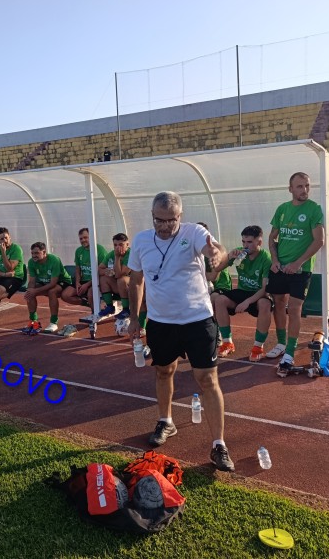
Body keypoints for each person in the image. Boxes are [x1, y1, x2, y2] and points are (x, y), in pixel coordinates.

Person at [127, 191, 235, 472]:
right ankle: (166, 421)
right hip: (160, 322)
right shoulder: (141, 241)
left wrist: (216, 254)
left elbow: (215, 248)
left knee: (207, 379)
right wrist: (135, 318)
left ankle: (219, 445)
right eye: (158, 220)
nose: (164, 226)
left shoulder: (194, 233)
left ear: (180, 217)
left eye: (170, 221)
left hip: (197, 319)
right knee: (164, 371)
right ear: (152, 216)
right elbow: (136, 280)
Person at [266, 172, 325, 374]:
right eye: (299, 186)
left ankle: (290, 352)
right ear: (290, 189)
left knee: (294, 308)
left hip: (301, 269)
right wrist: (275, 260)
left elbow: (319, 241)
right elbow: (272, 238)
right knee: (278, 303)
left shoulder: (314, 209)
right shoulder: (282, 209)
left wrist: (298, 263)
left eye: (307, 186)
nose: (304, 190)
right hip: (280, 267)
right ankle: (281, 343)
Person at [212, 226, 274, 362]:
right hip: (242, 291)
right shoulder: (239, 253)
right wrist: (229, 257)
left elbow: (265, 289)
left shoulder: (266, 258)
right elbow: (217, 268)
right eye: (243, 242)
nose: (246, 246)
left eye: (249, 242)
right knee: (219, 300)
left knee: (265, 304)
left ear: (259, 242)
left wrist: (247, 302)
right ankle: (227, 343)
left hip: (258, 293)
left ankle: (258, 347)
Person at [22, 242, 73, 334]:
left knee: (51, 292)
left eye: (36, 253)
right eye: (32, 253)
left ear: (44, 252)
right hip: (45, 282)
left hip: (62, 282)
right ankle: (33, 321)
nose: (34, 256)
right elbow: (32, 281)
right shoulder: (31, 262)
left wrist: (35, 291)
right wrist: (30, 291)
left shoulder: (54, 260)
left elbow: (53, 283)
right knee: (30, 292)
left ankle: (53, 322)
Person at [61, 228, 107, 308]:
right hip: (83, 281)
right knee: (65, 295)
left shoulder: (100, 250)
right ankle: (87, 303)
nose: (83, 240)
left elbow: (102, 272)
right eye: (81, 238)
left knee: (91, 293)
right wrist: (77, 283)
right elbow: (78, 269)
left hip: (96, 281)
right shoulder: (79, 251)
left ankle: (95, 312)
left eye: (85, 237)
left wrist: (87, 285)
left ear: (91, 237)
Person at [96, 233, 131, 319]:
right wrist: (108, 271)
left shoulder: (131, 254)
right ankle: (109, 307)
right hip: (118, 286)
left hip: (131, 288)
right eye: (115, 245)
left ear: (127, 244)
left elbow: (119, 274)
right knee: (103, 278)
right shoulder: (111, 254)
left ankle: (126, 309)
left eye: (121, 245)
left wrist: (117, 257)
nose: (117, 247)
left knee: (121, 280)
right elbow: (99, 269)